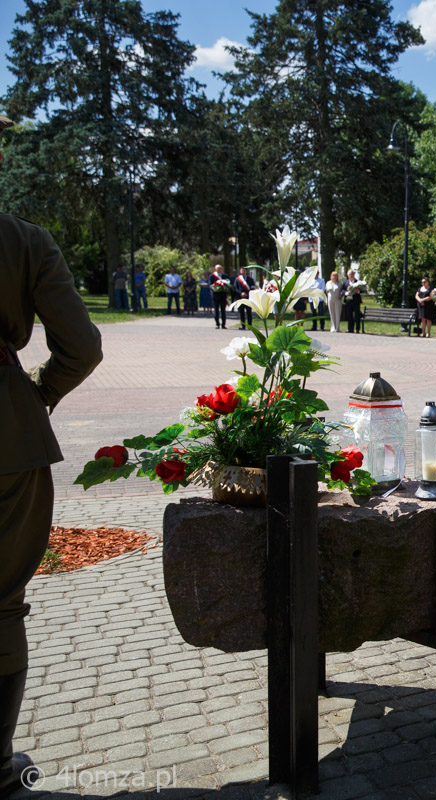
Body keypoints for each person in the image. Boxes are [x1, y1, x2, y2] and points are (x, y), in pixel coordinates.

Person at [1, 111, 105, 798]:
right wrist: (38, 391)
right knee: (1, 604)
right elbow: (83, 346)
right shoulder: (22, 240)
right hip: (5, 435)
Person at [209, 264, 229, 329]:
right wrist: (215, 289)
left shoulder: (225, 276)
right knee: (216, 310)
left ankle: (223, 324)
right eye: (218, 269)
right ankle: (217, 324)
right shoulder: (212, 276)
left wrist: (226, 288)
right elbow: (210, 285)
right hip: (215, 296)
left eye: (220, 268)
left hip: (223, 296)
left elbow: (228, 284)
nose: (219, 270)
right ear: (215, 269)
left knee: (223, 310)